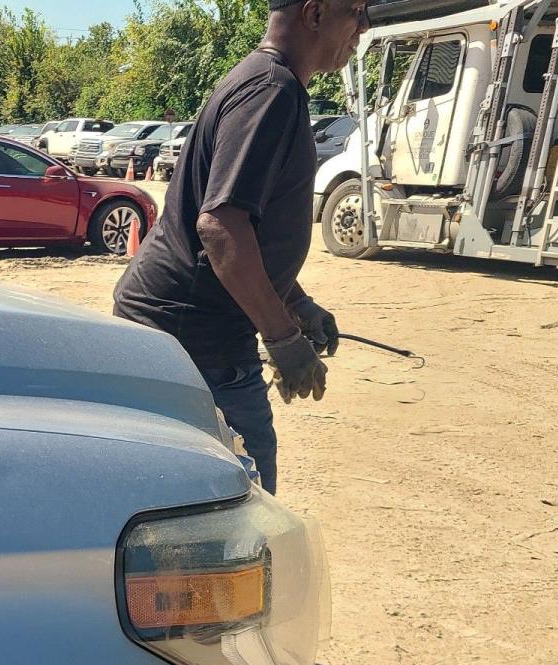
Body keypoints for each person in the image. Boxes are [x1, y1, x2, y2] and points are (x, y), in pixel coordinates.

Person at [112, 0, 369, 493]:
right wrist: (283, 339)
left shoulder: (266, 83)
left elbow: (249, 230)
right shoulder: (271, 91)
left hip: (188, 330)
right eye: (355, 10)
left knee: (200, 494)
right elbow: (220, 228)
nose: (363, 26)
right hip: (194, 339)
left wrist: (296, 303)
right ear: (314, 14)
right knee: (242, 497)